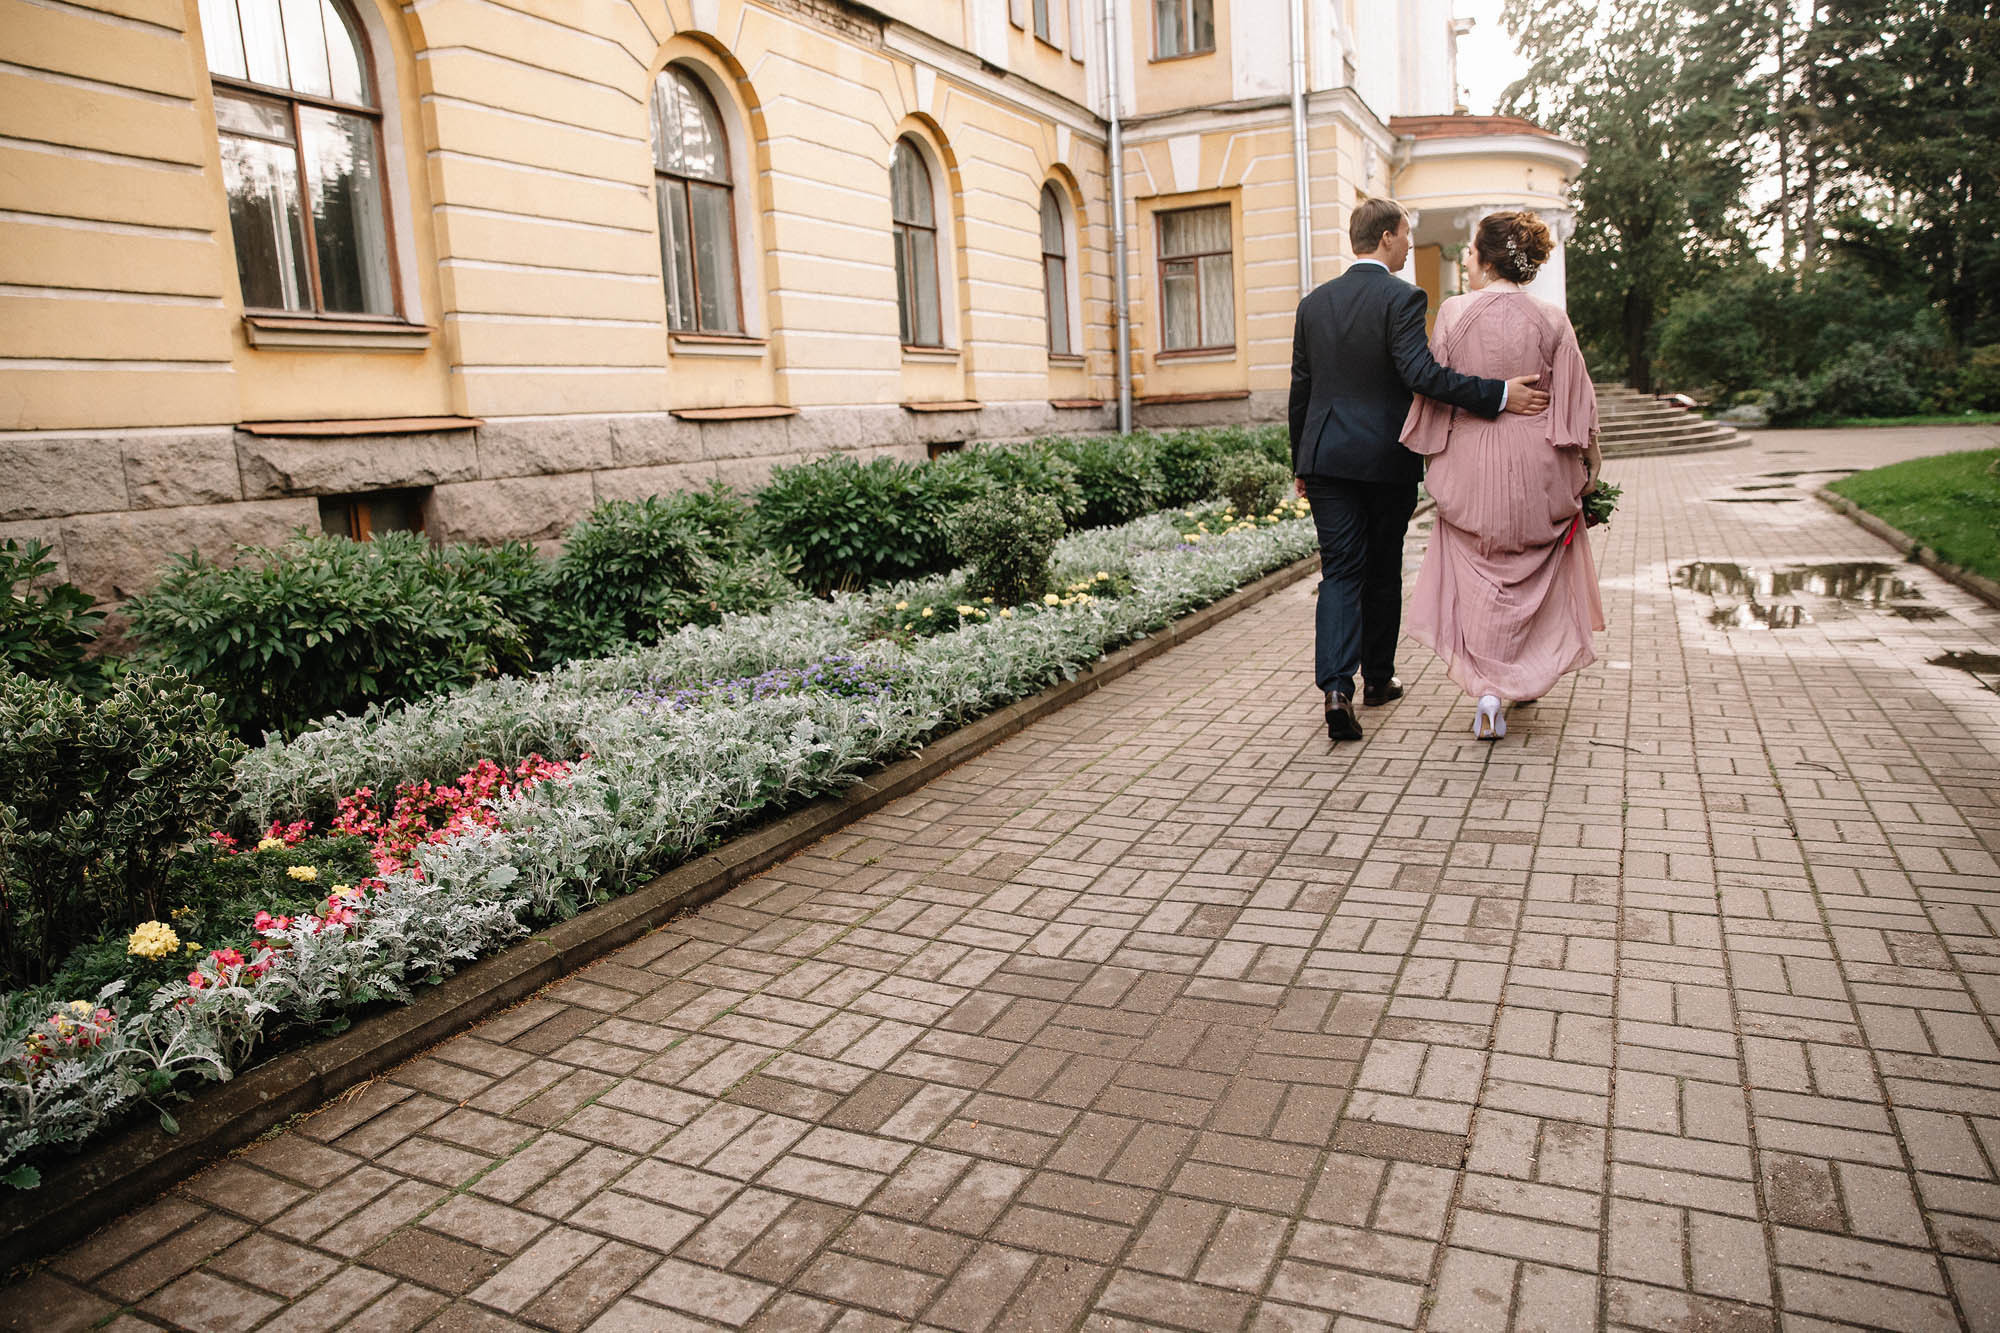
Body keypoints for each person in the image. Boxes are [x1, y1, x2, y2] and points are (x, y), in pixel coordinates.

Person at [1290, 198, 1549, 743]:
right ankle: (1378, 681)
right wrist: (1499, 394)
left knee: (1340, 571)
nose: (1410, 245)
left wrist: (1300, 461)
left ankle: (1337, 688)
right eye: (1406, 235)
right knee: (1382, 568)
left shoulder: (1313, 304)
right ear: (1385, 237)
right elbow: (1422, 374)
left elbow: (1302, 389)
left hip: (1326, 457)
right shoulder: (1403, 297)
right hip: (1385, 457)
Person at [1401, 210, 1606, 740]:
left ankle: (1488, 690)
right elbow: (1576, 399)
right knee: (1532, 568)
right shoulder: (1551, 318)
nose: (1465, 259)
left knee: (1478, 572)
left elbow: (1436, 387)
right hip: (1537, 463)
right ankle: (1519, 676)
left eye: (1469, 250)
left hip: (1470, 463)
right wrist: (1591, 458)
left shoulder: (1453, 313)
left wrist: (1429, 452)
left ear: (1488, 257)